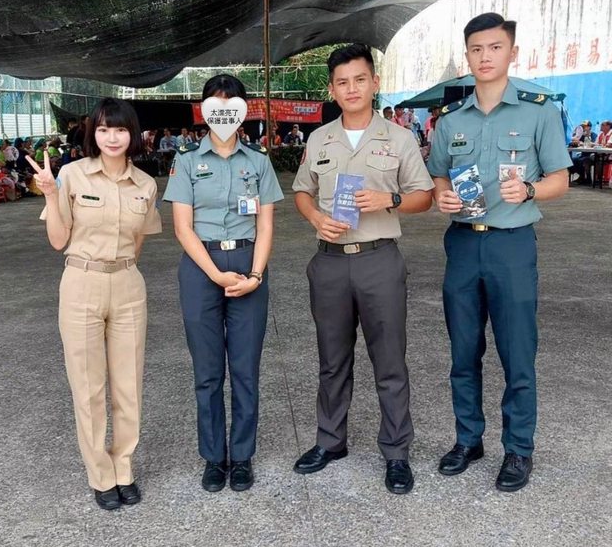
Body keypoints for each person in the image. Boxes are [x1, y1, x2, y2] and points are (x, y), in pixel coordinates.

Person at [428, 13, 570, 492]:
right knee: (463, 351)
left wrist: (529, 190)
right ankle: (468, 440)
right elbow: (439, 174)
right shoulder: (451, 120)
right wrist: (443, 196)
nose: (485, 57)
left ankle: (518, 448)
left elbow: (560, 179)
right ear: (466, 55)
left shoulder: (538, 111)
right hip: (463, 244)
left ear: (512, 52)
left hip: (512, 245)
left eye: (494, 47)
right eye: (476, 49)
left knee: (517, 352)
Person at [292, 44, 434, 495]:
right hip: (330, 262)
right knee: (332, 361)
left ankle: (396, 452)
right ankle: (330, 442)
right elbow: (301, 191)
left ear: (374, 83)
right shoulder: (319, 139)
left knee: (389, 361)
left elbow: (424, 197)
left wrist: (388, 199)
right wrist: (316, 218)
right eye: (342, 82)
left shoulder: (399, 138)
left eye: (359, 79)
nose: (351, 88)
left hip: (379, 260)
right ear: (331, 90)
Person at [28, 97, 162, 510]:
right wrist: (50, 194)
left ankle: (124, 468)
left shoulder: (145, 184)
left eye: (120, 129)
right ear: (93, 133)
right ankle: (100, 476)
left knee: (128, 385)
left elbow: (138, 242)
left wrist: (120, 269)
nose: (112, 137)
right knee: (88, 387)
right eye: (103, 129)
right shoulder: (72, 175)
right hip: (80, 283)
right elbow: (58, 240)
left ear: (132, 134)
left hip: (127, 284)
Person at [163, 74, 283, 493]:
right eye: (217, 105)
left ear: (243, 111)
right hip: (202, 267)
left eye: (232, 105)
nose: (225, 113)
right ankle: (214, 457)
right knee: (208, 371)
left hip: (248, 262)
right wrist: (214, 274)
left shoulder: (259, 160)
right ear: (205, 111)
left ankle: (243, 456)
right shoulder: (186, 160)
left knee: (246, 370)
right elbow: (182, 227)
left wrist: (256, 275)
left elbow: (266, 225)